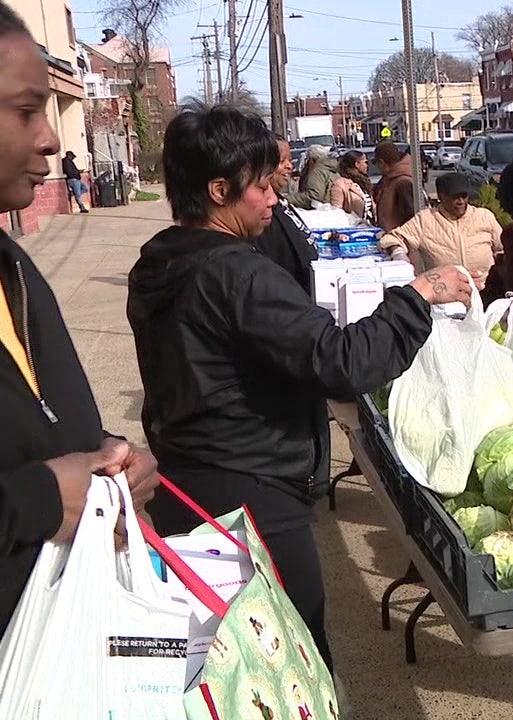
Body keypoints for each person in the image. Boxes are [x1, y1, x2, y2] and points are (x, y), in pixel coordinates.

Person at [126, 102, 477, 673]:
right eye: (261, 187)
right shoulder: (237, 271)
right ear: (219, 190)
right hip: (254, 499)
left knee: (229, 668)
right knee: (292, 668)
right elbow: (341, 362)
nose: (272, 199)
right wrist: (418, 297)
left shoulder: (161, 262)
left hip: (189, 488)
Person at [0, 1, 158, 636]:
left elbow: (45, 433)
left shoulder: (14, 268)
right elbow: (39, 488)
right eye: (23, 110)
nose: (51, 138)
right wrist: (39, 499)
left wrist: (108, 464)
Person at [378, 172, 503, 285]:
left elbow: (503, 248)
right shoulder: (426, 220)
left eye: (464, 196)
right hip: (444, 294)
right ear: (441, 197)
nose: (460, 201)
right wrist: (399, 254)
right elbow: (392, 238)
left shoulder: (484, 216)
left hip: (484, 290)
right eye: (455, 197)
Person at [255, 133, 317, 291]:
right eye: (282, 161)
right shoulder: (261, 211)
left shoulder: (279, 199)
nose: (290, 166)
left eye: (290, 160)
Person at [372, 140, 416, 231]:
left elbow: (412, 217)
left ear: (382, 163)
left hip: (400, 240)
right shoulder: (390, 179)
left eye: (377, 164)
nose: (378, 168)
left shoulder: (403, 183)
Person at [329, 149, 374, 224]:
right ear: (357, 164)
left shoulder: (365, 182)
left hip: (371, 228)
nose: (367, 165)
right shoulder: (340, 185)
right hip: (354, 230)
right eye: (365, 162)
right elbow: (336, 212)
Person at [298, 144, 337, 209]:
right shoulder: (330, 168)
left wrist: (289, 198)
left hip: (321, 211)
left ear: (311, 160)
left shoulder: (317, 171)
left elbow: (314, 196)